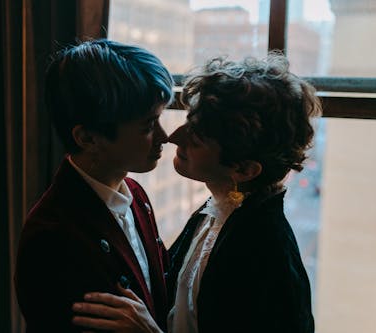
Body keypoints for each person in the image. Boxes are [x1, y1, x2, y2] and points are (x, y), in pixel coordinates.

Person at [71, 52, 322, 333]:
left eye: (198, 137)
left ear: (244, 169)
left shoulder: (265, 254)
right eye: (189, 120)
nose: (174, 135)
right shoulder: (218, 212)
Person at [14, 39, 174, 333]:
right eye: (149, 126)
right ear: (88, 138)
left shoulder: (137, 195)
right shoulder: (52, 237)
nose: (165, 137)